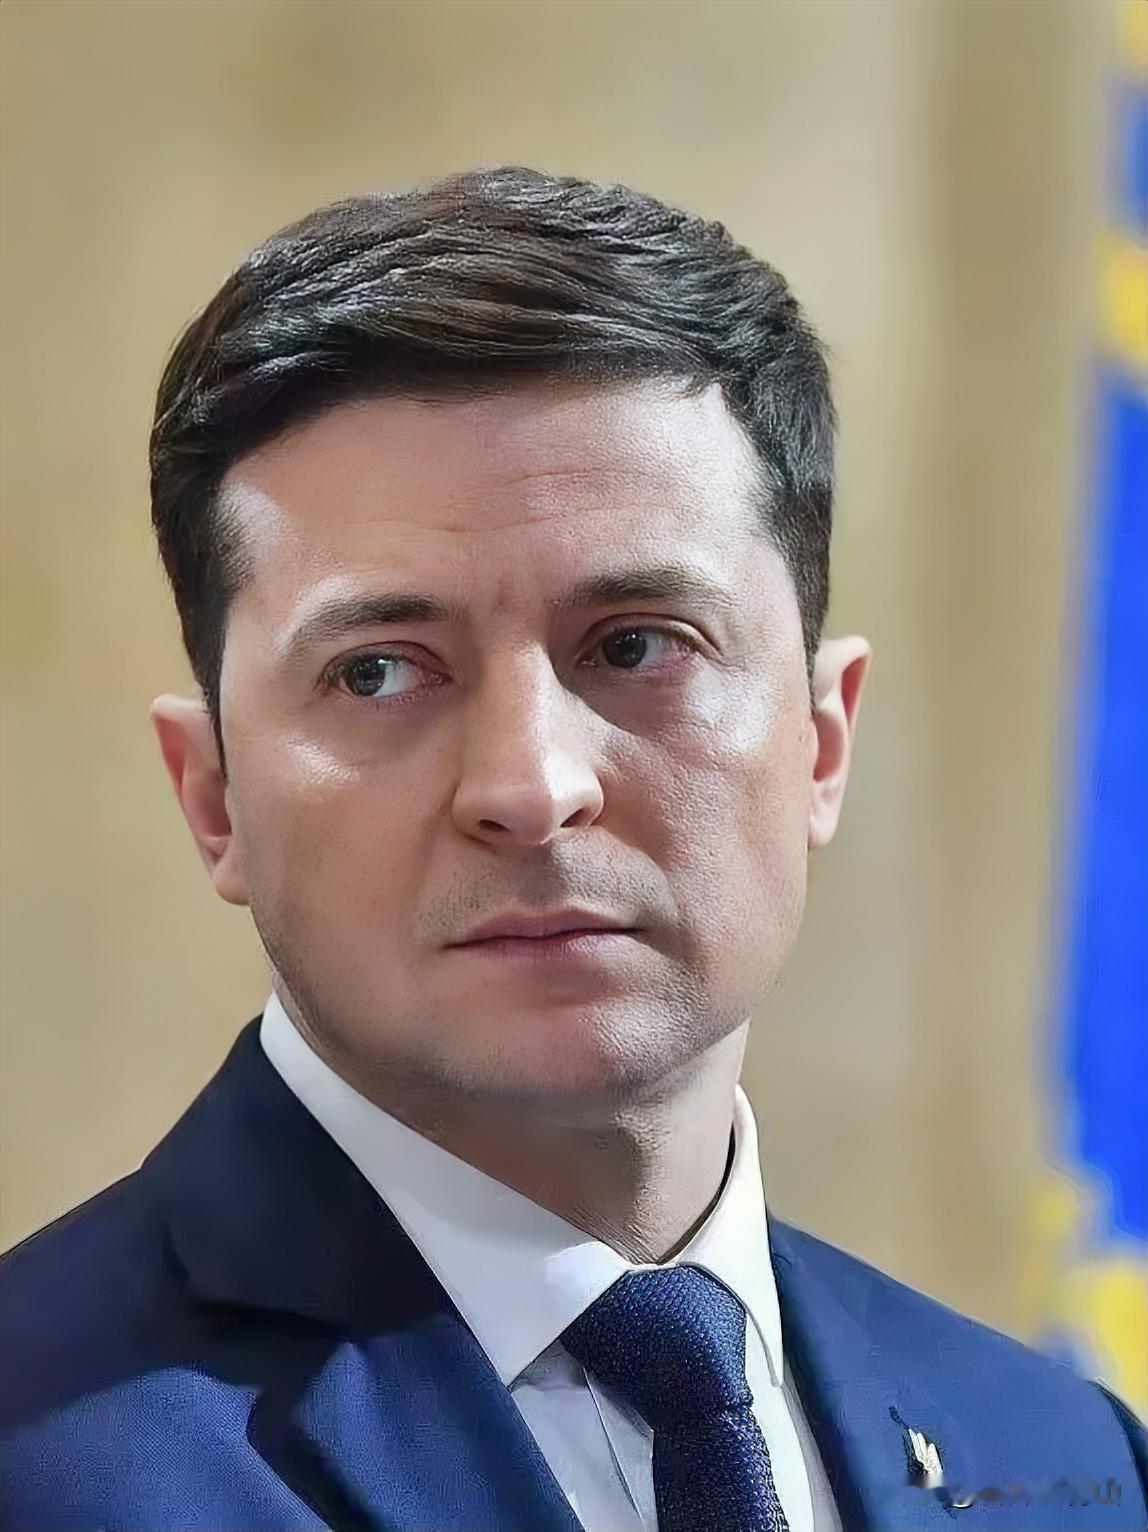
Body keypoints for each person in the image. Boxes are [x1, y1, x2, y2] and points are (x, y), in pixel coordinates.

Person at [1, 166, 1144, 1532]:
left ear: (823, 739)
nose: (530, 787)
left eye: (639, 645)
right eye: (378, 671)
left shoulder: (1066, 1453)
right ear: (214, 797)